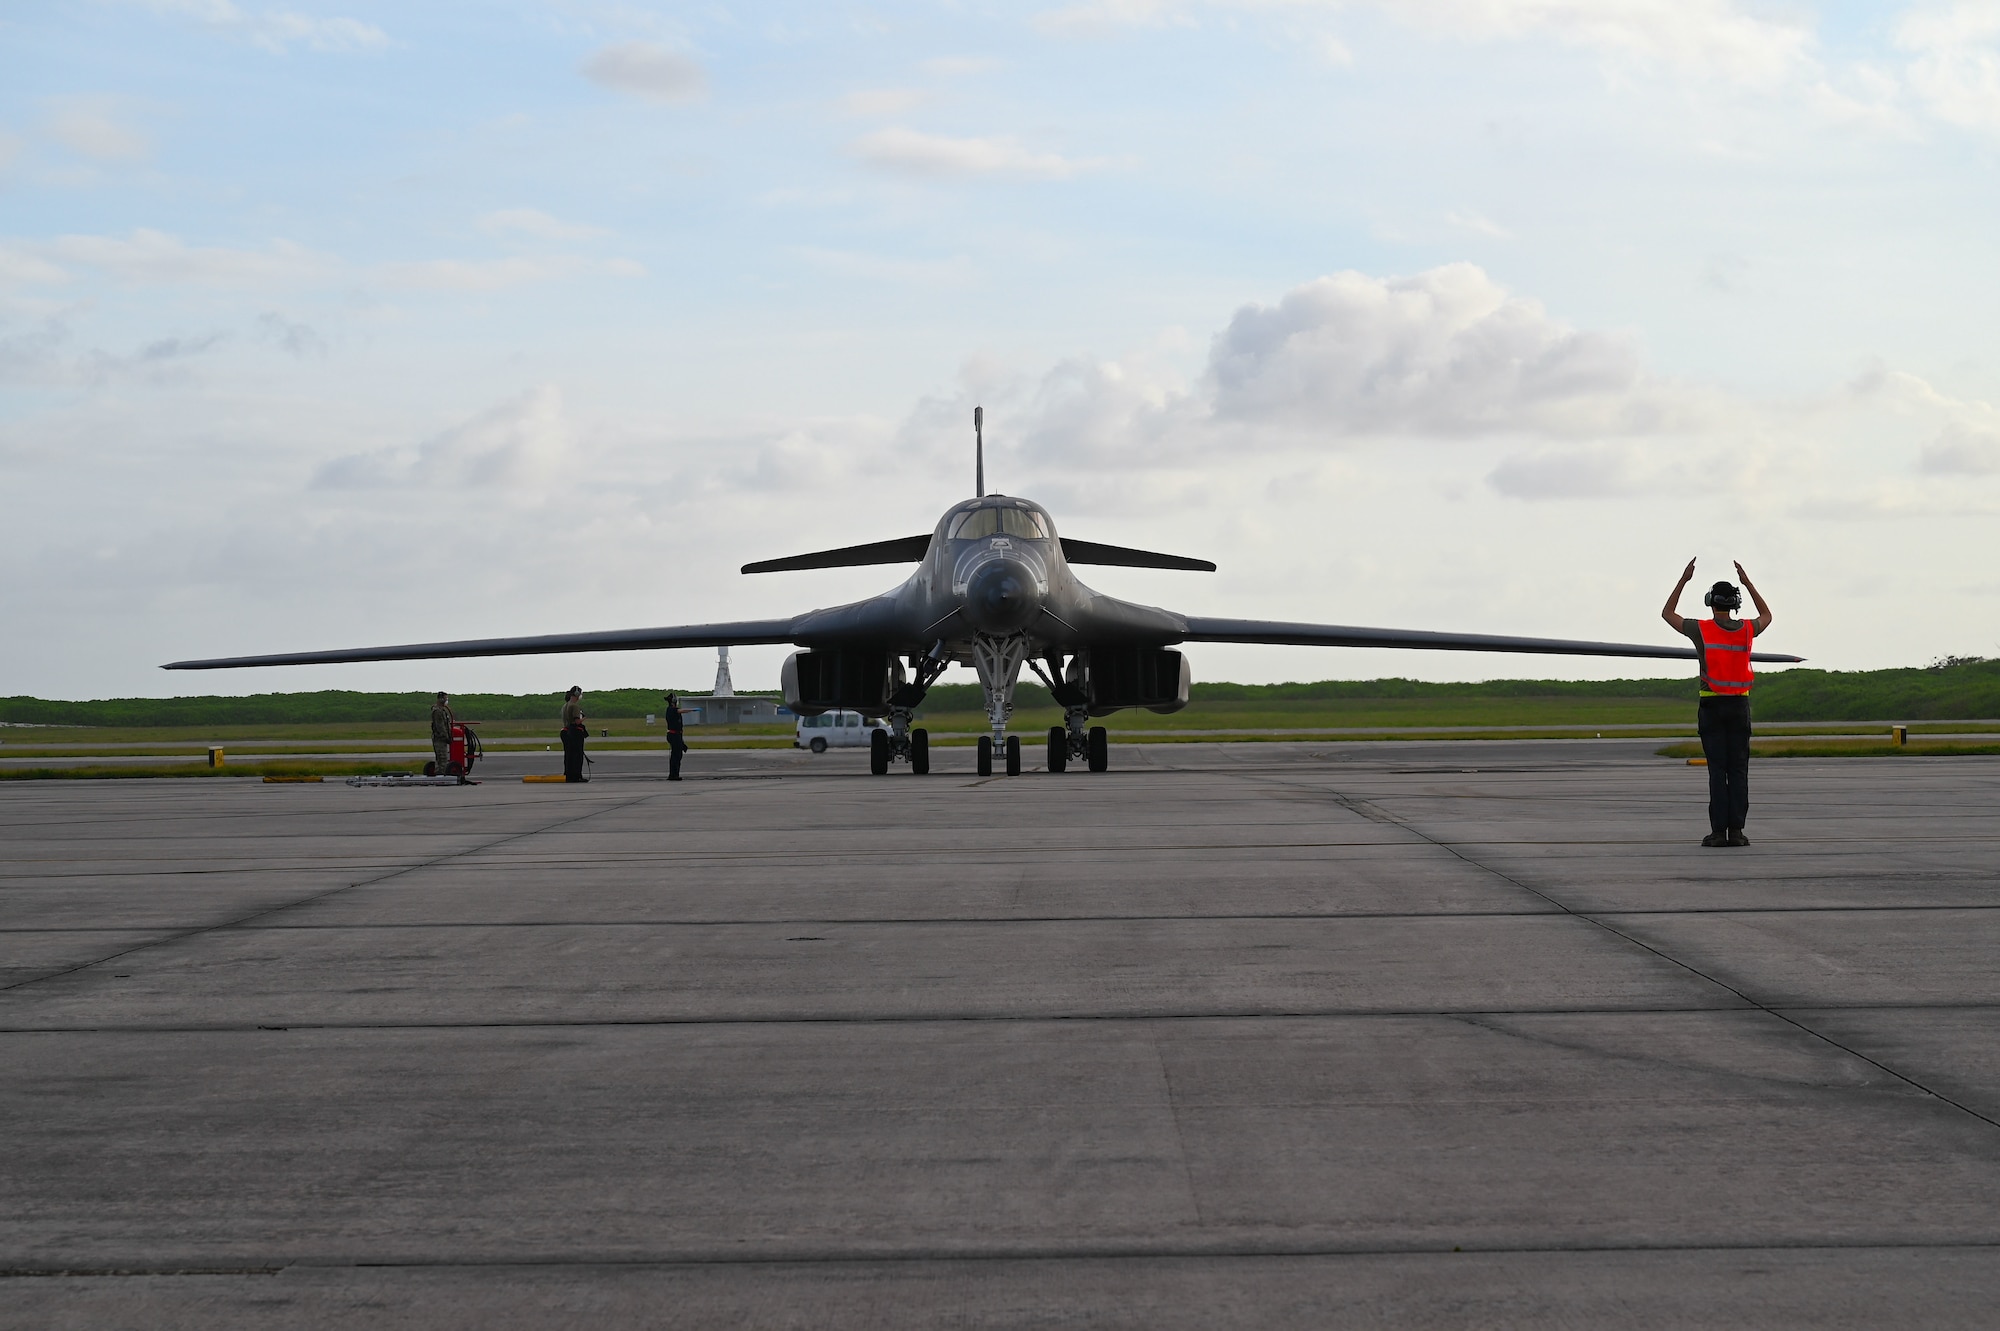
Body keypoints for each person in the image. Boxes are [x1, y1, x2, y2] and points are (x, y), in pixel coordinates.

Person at [1662, 558, 1774, 848]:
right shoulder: (1748, 630)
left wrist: (1684, 579)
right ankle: (1737, 832)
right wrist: (1748, 583)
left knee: (1717, 771)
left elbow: (1667, 614)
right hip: (1739, 708)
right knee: (1738, 770)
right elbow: (1767, 615)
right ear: (1735, 603)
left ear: (1711, 603)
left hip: (1712, 708)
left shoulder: (1701, 630)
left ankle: (1717, 832)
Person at [561, 686, 588, 783]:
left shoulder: (565, 705)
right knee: (577, 755)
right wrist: (583, 718)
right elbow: (577, 721)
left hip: (565, 731)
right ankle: (577, 775)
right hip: (574, 732)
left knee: (569, 755)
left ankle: (569, 774)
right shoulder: (574, 706)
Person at [429, 692, 454, 776]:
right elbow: (440, 726)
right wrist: (446, 737)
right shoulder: (438, 711)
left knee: (441, 758)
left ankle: (439, 774)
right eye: (445, 698)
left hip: (441, 738)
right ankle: (441, 775)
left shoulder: (442, 710)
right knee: (442, 758)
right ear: (441, 699)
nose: (447, 700)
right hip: (440, 738)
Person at [665, 692, 687, 781]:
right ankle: (673, 775)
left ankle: (675, 774)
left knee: (678, 754)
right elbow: (679, 711)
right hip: (673, 735)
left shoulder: (673, 710)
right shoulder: (671, 709)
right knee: (675, 756)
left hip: (677, 735)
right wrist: (693, 710)